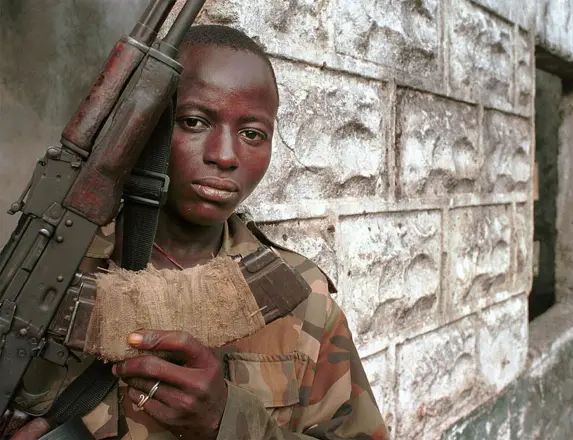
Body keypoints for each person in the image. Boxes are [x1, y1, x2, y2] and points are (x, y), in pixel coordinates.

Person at [12, 25, 389, 440]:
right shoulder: (51, 269)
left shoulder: (302, 298)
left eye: (252, 134)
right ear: (146, 129)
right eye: (193, 121)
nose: (224, 156)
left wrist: (230, 420)